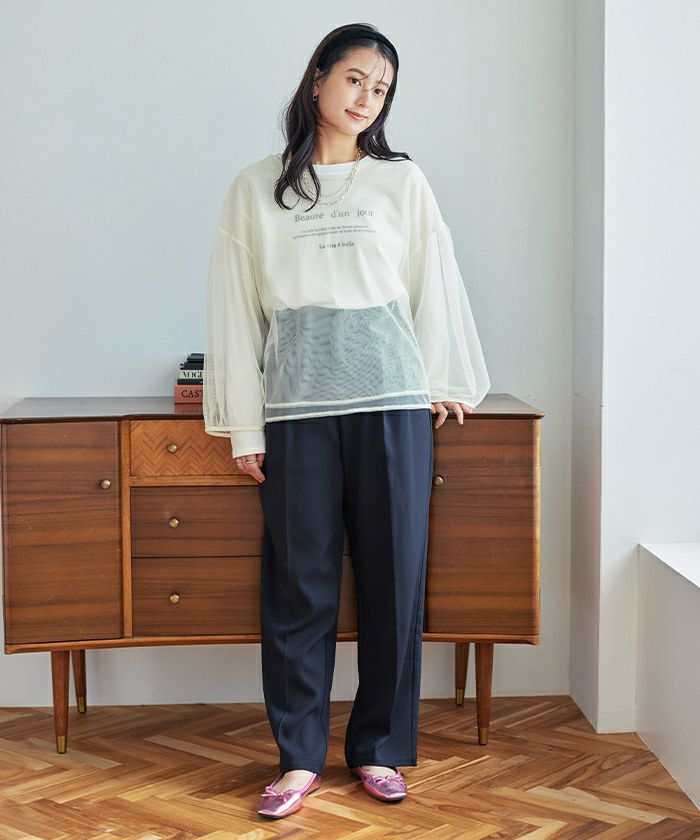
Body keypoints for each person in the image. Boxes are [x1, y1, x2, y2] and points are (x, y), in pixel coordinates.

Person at [203, 22, 490, 820]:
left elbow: (433, 280)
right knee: (299, 586)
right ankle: (299, 757)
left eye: (382, 88)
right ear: (319, 78)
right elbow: (235, 308)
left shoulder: (401, 182)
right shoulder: (257, 187)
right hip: (297, 410)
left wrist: (442, 378)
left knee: (395, 579)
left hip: (391, 405)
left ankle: (379, 748)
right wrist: (246, 426)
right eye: (356, 79)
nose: (368, 97)